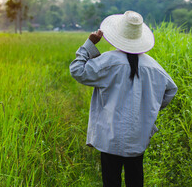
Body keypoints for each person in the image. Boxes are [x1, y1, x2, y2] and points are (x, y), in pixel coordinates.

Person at [69, 11, 178, 187]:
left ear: (118, 35)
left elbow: (77, 70)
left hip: (109, 136)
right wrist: (150, 108)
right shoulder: (153, 66)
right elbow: (171, 90)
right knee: (135, 180)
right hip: (138, 136)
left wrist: (89, 44)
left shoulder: (108, 61)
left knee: (111, 181)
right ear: (139, 37)